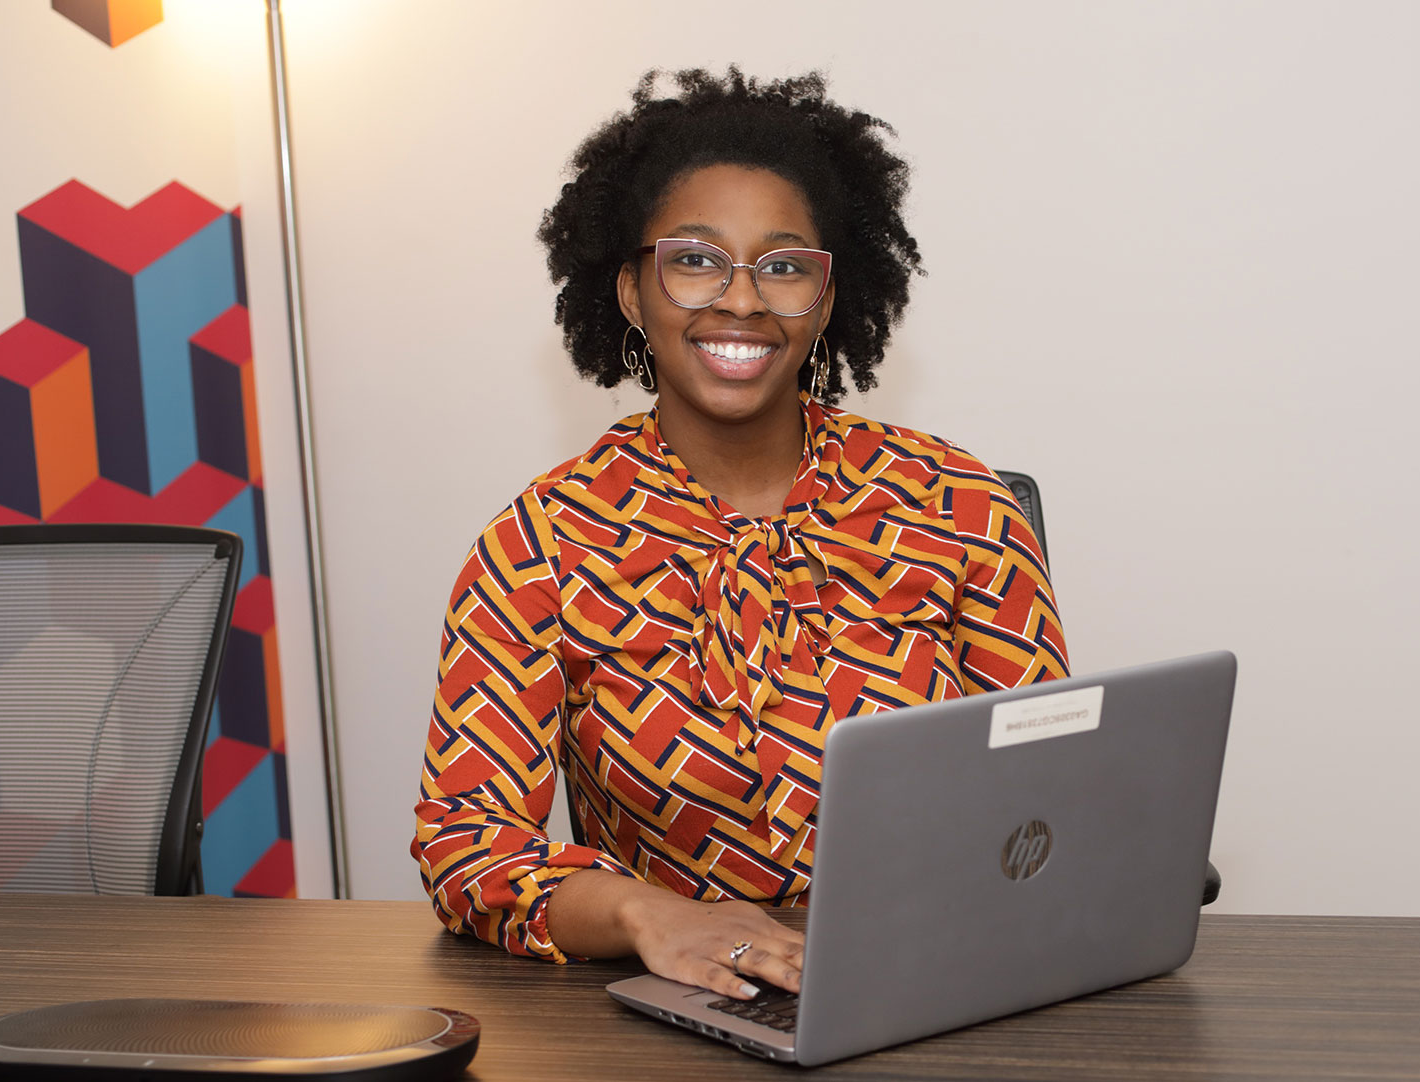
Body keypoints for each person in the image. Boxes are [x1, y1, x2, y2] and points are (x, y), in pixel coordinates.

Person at [412, 68, 1068, 1004]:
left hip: (943, 986)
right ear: (634, 294)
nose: (743, 300)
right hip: (680, 1009)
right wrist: (649, 913)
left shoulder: (958, 504)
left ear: (828, 299)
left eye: (785, 265)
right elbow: (465, 847)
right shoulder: (539, 548)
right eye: (695, 259)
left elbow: (1045, 792)